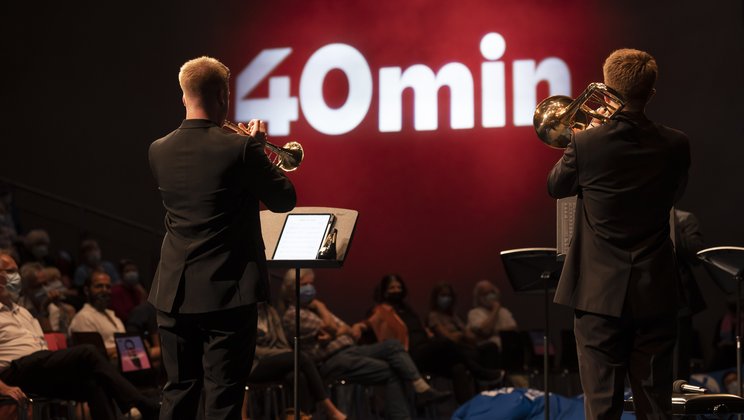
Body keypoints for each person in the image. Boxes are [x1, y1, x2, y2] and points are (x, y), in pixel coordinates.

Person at [148, 56, 296, 420]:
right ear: (223, 96)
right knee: (223, 398)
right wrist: (258, 151)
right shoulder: (241, 148)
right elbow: (284, 199)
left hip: (173, 293)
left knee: (178, 393)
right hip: (227, 293)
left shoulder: (158, 149)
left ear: (184, 97)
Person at [547, 48, 690, 419]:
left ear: (607, 88)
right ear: (652, 92)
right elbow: (676, 195)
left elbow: (555, 186)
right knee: (656, 406)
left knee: (601, 407)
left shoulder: (585, 143)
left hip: (597, 296)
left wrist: (585, 134)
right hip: (655, 291)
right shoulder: (676, 144)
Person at [0, 253, 160, 420]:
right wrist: (3, 388)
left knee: (93, 381)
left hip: (38, 367)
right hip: (13, 369)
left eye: (17, 272)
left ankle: (134, 406)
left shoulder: (22, 312)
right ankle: (142, 404)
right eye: (10, 271)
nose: (16, 277)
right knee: (88, 352)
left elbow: (41, 346)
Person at [281, 269, 450, 420]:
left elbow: (348, 329)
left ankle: (420, 388)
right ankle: (407, 410)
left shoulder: (313, 310)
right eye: (304, 284)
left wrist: (336, 330)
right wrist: (322, 307)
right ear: (291, 290)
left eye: (311, 283)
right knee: (390, 371)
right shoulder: (293, 315)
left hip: (351, 350)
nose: (310, 288)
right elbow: (332, 326)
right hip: (332, 360)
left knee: (392, 345)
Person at [368, 274, 503, 404]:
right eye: (392, 288)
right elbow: (371, 327)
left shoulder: (408, 310)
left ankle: (468, 411)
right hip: (409, 355)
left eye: (399, 287)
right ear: (384, 291)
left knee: (458, 367)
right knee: (445, 343)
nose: (397, 291)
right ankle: (479, 372)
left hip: (427, 349)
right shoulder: (379, 312)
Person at [246, 302, 346, 419]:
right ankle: (329, 408)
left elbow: (281, 340)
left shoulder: (269, 311)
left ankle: (303, 416)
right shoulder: (244, 314)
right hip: (254, 364)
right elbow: (252, 350)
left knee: (297, 376)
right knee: (300, 357)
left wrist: (285, 354)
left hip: (276, 360)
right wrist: (284, 355)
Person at [428, 282, 501, 370]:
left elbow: (471, 337)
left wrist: (460, 335)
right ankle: (485, 378)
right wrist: (461, 335)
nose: (447, 298)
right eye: (443, 295)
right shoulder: (433, 316)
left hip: (466, 346)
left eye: (449, 295)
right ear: (435, 297)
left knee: (491, 346)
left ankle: (495, 379)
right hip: (451, 351)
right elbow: (448, 338)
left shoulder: (454, 316)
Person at [68, 270, 126, 359]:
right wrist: (127, 348)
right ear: (87, 290)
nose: (105, 290)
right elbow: (92, 354)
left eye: (108, 287)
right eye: (99, 286)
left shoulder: (115, 317)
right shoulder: (83, 317)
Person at [466, 280, 518, 351]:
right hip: (491, 351)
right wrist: (495, 310)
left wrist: (494, 332)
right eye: (485, 293)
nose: (490, 295)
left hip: (508, 348)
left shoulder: (504, 311)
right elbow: (485, 330)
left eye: (492, 292)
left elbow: (513, 329)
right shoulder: (474, 313)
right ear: (479, 297)